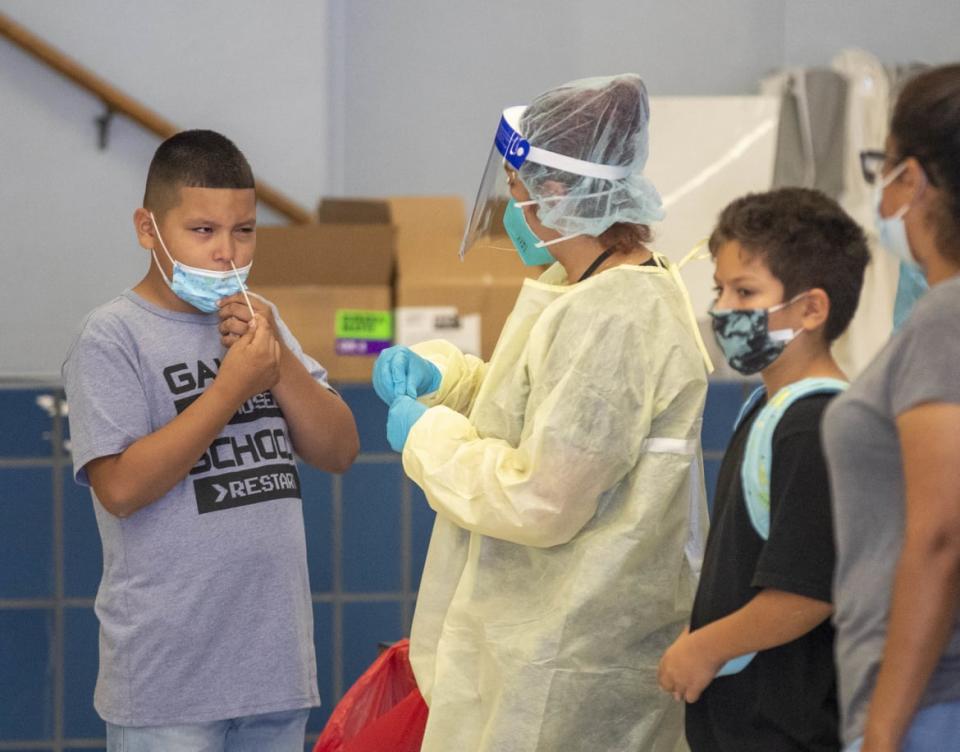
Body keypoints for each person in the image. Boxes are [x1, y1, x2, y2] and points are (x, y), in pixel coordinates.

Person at [373, 74, 713, 751]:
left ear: (557, 195)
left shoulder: (616, 315)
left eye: (515, 185)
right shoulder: (581, 286)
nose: (510, 203)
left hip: (573, 658)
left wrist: (429, 439)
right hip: (538, 638)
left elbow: (544, 498)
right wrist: (447, 379)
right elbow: (536, 407)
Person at [62, 129, 359, 750]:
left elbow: (339, 451)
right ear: (148, 229)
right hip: (167, 683)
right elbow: (118, 488)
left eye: (244, 230)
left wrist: (280, 364)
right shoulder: (112, 336)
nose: (227, 252)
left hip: (274, 673)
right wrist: (230, 388)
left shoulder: (261, 324)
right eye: (202, 231)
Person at [658, 188, 870, 751]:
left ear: (811, 308)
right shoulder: (769, 410)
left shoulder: (815, 424)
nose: (723, 309)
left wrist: (706, 648)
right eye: (719, 289)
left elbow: (806, 590)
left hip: (789, 731)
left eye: (745, 292)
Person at [822, 64, 960, 752]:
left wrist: (882, 731)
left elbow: (940, 536)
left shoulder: (947, 320)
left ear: (913, 177)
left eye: (885, 164)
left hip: (928, 704)